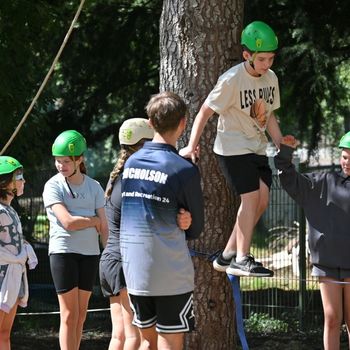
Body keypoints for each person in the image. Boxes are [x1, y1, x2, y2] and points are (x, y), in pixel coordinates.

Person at [179, 20, 287, 277]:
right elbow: (205, 110)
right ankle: (242, 258)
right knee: (250, 198)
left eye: (271, 59)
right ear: (246, 55)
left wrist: (280, 142)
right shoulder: (231, 80)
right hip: (232, 148)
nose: (267, 65)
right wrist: (191, 146)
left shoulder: (271, 78)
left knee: (261, 201)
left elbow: (269, 115)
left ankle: (227, 255)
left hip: (258, 148)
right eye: (261, 59)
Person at [120, 92, 204, 350]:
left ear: (150, 122)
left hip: (135, 270)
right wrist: (185, 220)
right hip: (170, 273)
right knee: (170, 343)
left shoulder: (130, 163)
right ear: (183, 123)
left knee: (147, 342)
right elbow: (196, 229)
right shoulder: (184, 169)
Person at [99, 117, 193, 350]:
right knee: (134, 339)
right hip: (126, 262)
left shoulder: (118, 177)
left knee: (119, 336)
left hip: (110, 260)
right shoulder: (134, 181)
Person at [274, 132, 350, 350]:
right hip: (326, 263)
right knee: (332, 318)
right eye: (345, 157)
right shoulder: (324, 181)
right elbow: (291, 181)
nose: (347, 162)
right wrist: (286, 153)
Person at [43, 130, 108, 350]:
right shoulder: (53, 185)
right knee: (69, 314)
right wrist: (92, 220)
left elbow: (105, 225)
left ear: (79, 159)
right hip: (63, 253)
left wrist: (108, 255)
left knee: (81, 315)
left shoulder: (95, 186)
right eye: (58, 161)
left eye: (66, 161)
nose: (61, 166)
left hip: (90, 254)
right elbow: (68, 222)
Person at [0, 156, 38, 349]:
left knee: (4, 335)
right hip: (2, 279)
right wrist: (14, 257)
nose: (24, 181)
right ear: (5, 182)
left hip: (13, 278)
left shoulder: (10, 210)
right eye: (19, 176)